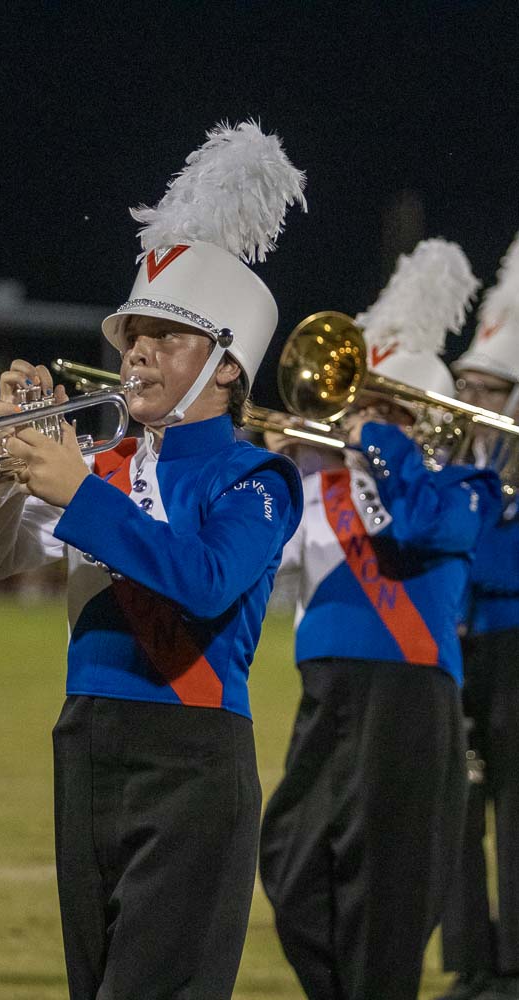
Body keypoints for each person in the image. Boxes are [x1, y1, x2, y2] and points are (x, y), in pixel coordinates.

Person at [0, 120, 306, 1000]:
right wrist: (5, 462)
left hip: (192, 755)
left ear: (226, 367)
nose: (136, 351)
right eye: (133, 333)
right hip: (86, 741)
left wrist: (79, 490)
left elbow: (205, 581)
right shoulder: (97, 466)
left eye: (166, 335)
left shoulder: (254, 478)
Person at [259, 239, 502, 1000]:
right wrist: (269, 464)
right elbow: (266, 565)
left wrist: (380, 441)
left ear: (423, 420)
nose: (359, 415)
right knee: (293, 867)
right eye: (359, 403)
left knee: (390, 891)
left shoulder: (465, 486)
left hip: (411, 695)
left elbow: (427, 529)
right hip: (327, 689)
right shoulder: (321, 478)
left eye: (383, 406)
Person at [438, 230, 519, 1000]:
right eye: (462, 385)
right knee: (456, 809)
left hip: (511, 649)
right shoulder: (452, 468)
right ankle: (469, 961)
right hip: (456, 649)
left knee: (514, 807)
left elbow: (497, 564)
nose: (468, 400)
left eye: (485, 390)